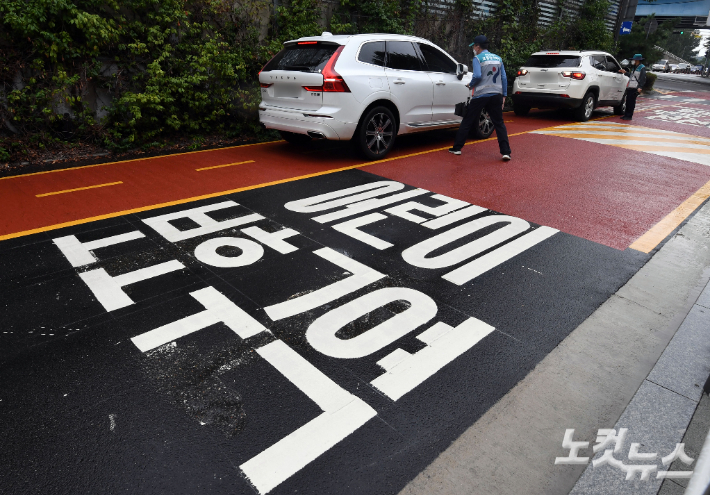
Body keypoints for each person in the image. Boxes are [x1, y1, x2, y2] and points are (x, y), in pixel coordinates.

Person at [449, 35, 511, 161]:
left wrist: (470, 84)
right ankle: (506, 152)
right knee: (499, 123)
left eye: (474, 47)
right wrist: (504, 95)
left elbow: (477, 75)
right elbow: (503, 78)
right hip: (496, 95)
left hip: (481, 95)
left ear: (478, 46)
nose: (474, 49)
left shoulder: (478, 58)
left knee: (467, 120)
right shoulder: (498, 59)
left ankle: (457, 148)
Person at [619, 54, 646, 121]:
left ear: (637, 60)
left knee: (631, 102)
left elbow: (643, 78)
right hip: (630, 86)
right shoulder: (634, 67)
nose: (633, 61)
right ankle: (626, 115)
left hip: (635, 87)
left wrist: (640, 87)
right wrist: (625, 72)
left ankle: (629, 116)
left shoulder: (642, 68)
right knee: (628, 102)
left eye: (634, 60)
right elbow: (632, 76)